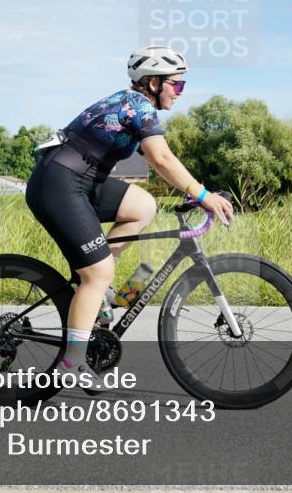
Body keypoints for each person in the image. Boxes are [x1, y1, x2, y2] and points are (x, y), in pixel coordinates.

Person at [26, 45, 235, 390]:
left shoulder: (134, 105)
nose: (180, 93)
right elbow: (161, 159)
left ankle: (100, 291)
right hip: (58, 183)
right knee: (97, 272)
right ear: (153, 83)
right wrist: (202, 195)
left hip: (80, 181)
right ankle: (72, 361)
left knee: (143, 206)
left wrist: (197, 191)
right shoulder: (136, 105)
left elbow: (165, 161)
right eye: (177, 85)